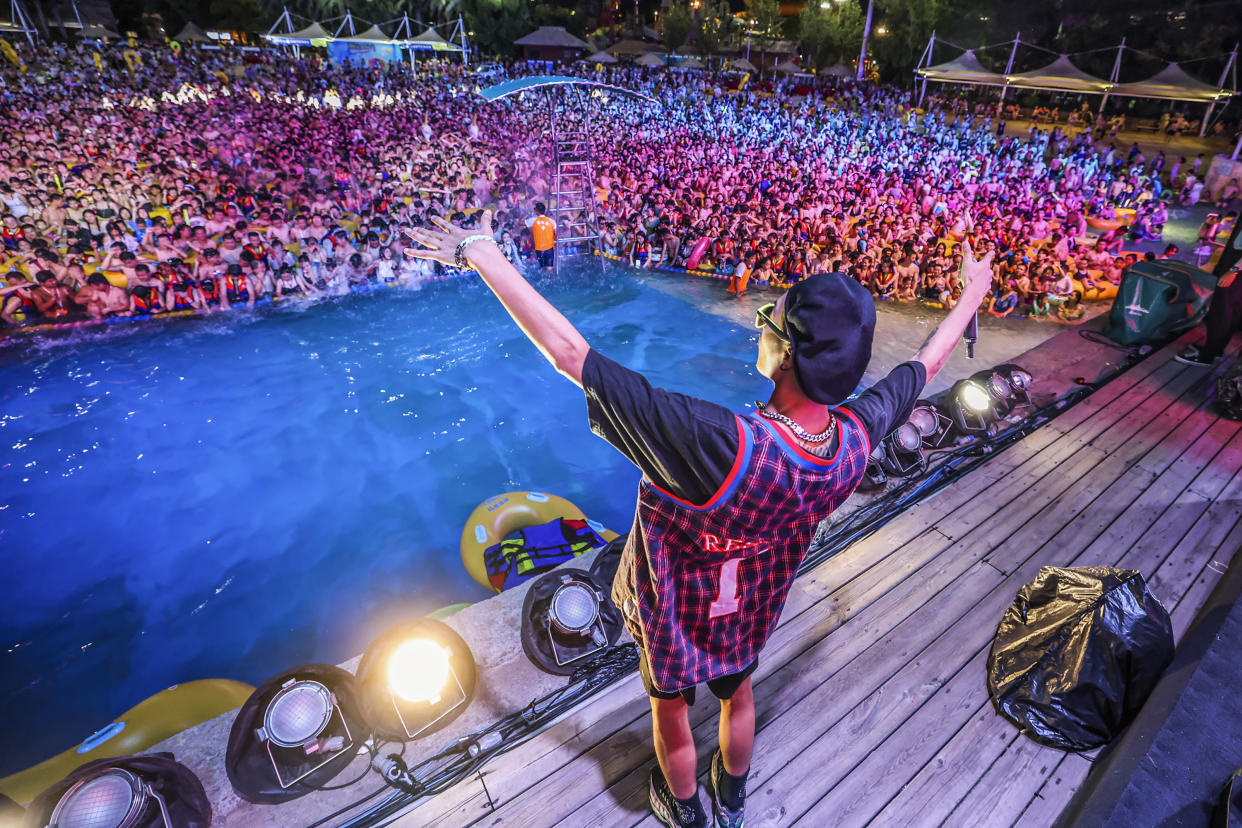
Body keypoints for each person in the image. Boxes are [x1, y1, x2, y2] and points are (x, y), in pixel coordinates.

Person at [403, 210, 996, 828]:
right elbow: (924, 366)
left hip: (676, 615)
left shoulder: (713, 442)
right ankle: (732, 799)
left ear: (786, 354)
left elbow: (569, 354)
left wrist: (480, 251)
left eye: (771, 322)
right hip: (752, 611)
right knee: (738, 697)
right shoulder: (853, 439)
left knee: (671, 713)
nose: (761, 329)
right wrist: (971, 295)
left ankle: (684, 809)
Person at [1175, 266, 1242, 368]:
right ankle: (1215, 350)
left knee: (1221, 313)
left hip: (1237, 272)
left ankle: (1206, 356)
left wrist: (1233, 270)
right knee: (1232, 313)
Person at [526, 202, 557, 271]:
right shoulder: (551, 221)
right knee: (550, 269)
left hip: (539, 249)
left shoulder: (533, 220)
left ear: (536, 211)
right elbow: (555, 236)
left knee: (543, 269)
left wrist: (528, 214)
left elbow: (520, 223)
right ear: (544, 210)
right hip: (549, 248)